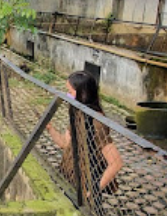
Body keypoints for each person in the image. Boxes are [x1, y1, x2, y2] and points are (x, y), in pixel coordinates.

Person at [47, 71, 123, 200]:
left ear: (82, 94)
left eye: (70, 92)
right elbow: (65, 144)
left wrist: (93, 191)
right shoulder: (78, 113)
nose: (67, 96)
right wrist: (50, 129)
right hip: (72, 179)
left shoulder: (96, 122)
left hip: (87, 182)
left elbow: (116, 163)